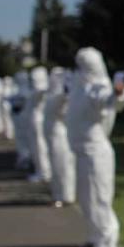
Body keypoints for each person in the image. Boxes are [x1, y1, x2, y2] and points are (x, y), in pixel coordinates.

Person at [67, 47, 124, 247]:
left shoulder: (98, 86)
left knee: (99, 198)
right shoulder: (81, 86)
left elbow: (109, 99)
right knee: (87, 200)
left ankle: (106, 244)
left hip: (95, 152)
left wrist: (120, 93)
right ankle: (94, 238)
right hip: (82, 151)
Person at [44, 67, 76, 207]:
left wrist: (66, 90)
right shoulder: (52, 95)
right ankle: (59, 194)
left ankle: (65, 196)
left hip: (60, 136)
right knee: (57, 166)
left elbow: (64, 102)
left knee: (62, 166)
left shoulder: (61, 96)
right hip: (53, 136)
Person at [27, 66, 52, 183]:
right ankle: (40, 170)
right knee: (36, 147)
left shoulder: (42, 88)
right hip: (35, 120)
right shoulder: (38, 88)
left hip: (39, 121)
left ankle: (44, 172)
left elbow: (41, 92)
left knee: (40, 147)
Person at [11, 70, 33, 170]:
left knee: (24, 139)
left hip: (23, 116)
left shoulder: (26, 90)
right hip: (18, 116)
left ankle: (26, 158)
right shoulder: (19, 89)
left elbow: (22, 101)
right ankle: (23, 157)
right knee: (21, 138)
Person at [2, 76, 16, 140]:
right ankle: (9, 133)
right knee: (7, 120)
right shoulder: (10, 89)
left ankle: (9, 134)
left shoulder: (10, 89)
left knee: (9, 120)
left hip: (8, 107)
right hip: (7, 106)